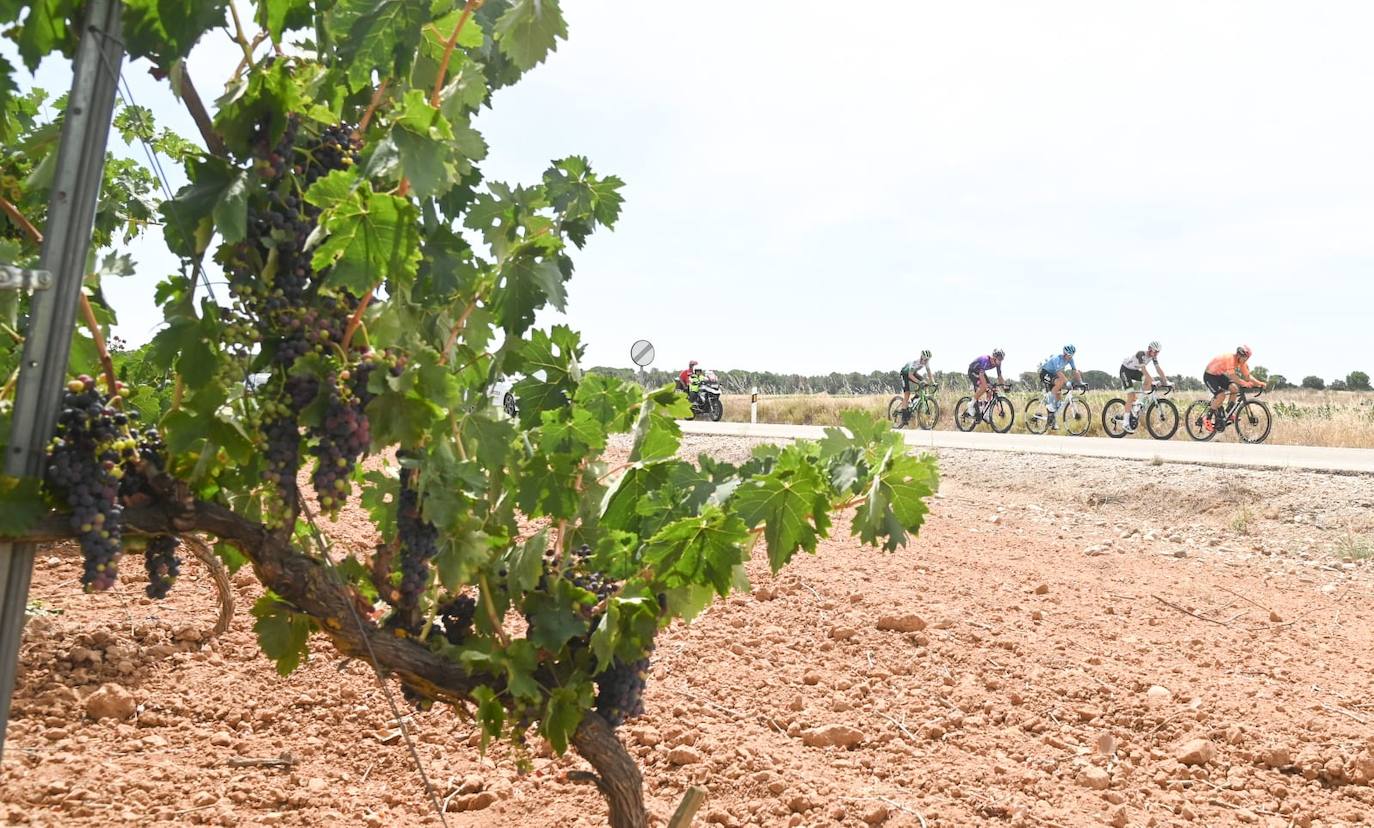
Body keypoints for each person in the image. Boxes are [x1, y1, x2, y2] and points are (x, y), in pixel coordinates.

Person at [1203, 345, 1263, 432]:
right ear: (1239, 355)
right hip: (1209, 376)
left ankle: (1229, 412)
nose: (1246, 360)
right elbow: (1233, 376)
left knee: (1234, 388)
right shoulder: (1230, 359)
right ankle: (1207, 418)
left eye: (1247, 358)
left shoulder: (1241, 363)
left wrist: (1259, 383)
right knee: (1221, 395)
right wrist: (1244, 383)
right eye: (1245, 358)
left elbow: (1248, 376)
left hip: (1218, 375)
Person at [1119, 341, 1166, 433]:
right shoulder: (1141, 354)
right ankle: (1125, 423)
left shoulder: (1153, 357)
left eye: (1158, 352)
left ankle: (1139, 402)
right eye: (1155, 351)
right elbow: (1144, 370)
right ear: (1149, 349)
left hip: (1134, 371)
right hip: (1125, 371)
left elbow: (1158, 369)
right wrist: (1153, 381)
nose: (1156, 354)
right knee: (1131, 396)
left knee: (1148, 381)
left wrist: (1165, 381)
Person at [1038, 345, 1082, 430]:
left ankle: (1052, 421)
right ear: (1064, 353)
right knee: (1060, 382)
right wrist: (1068, 383)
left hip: (1053, 376)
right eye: (1069, 355)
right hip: (1045, 373)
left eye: (1072, 355)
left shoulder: (1071, 360)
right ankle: (1050, 404)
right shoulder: (1057, 359)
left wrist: (1081, 382)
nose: (1070, 357)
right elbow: (1059, 373)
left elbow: (1075, 371)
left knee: (1058, 396)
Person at [967, 349, 1005, 420]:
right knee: (985, 387)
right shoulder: (985, 360)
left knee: (990, 391)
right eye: (999, 358)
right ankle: (971, 404)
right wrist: (987, 386)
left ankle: (985, 413)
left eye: (1002, 359)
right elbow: (981, 376)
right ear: (994, 357)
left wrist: (1004, 386)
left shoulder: (998, 364)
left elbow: (999, 376)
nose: (1000, 361)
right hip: (973, 371)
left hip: (981, 372)